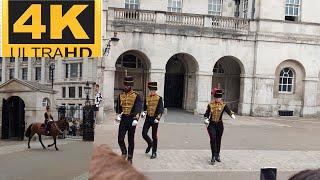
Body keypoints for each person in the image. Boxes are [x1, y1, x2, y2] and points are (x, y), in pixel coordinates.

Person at [204, 88, 236, 165]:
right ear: (214, 97)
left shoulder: (223, 105)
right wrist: (206, 119)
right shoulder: (210, 105)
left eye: (219, 98)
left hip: (219, 125)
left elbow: (228, 110)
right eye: (217, 97)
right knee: (213, 139)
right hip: (211, 124)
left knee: (218, 140)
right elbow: (207, 113)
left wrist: (231, 114)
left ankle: (217, 155)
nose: (218, 99)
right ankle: (213, 156)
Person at [115, 76, 142, 164]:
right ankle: (124, 152)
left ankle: (130, 157)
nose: (125, 87)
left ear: (130, 86)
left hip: (132, 119)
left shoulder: (136, 96)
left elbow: (138, 108)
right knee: (120, 138)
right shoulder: (121, 95)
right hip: (124, 119)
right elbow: (118, 107)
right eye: (125, 85)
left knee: (131, 139)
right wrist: (118, 115)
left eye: (127, 86)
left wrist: (136, 118)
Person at [141, 82, 164, 159]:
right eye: (151, 90)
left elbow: (161, 109)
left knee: (154, 136)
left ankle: (154, 152)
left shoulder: (159, 98)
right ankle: (150, 144)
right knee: (144, 133)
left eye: (153, 90)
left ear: (155, 90)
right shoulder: (147, 98)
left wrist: (158, 118)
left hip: (155, 119)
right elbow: (144, 108)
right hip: (148, 119)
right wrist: (143, 113)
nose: (152, 91)